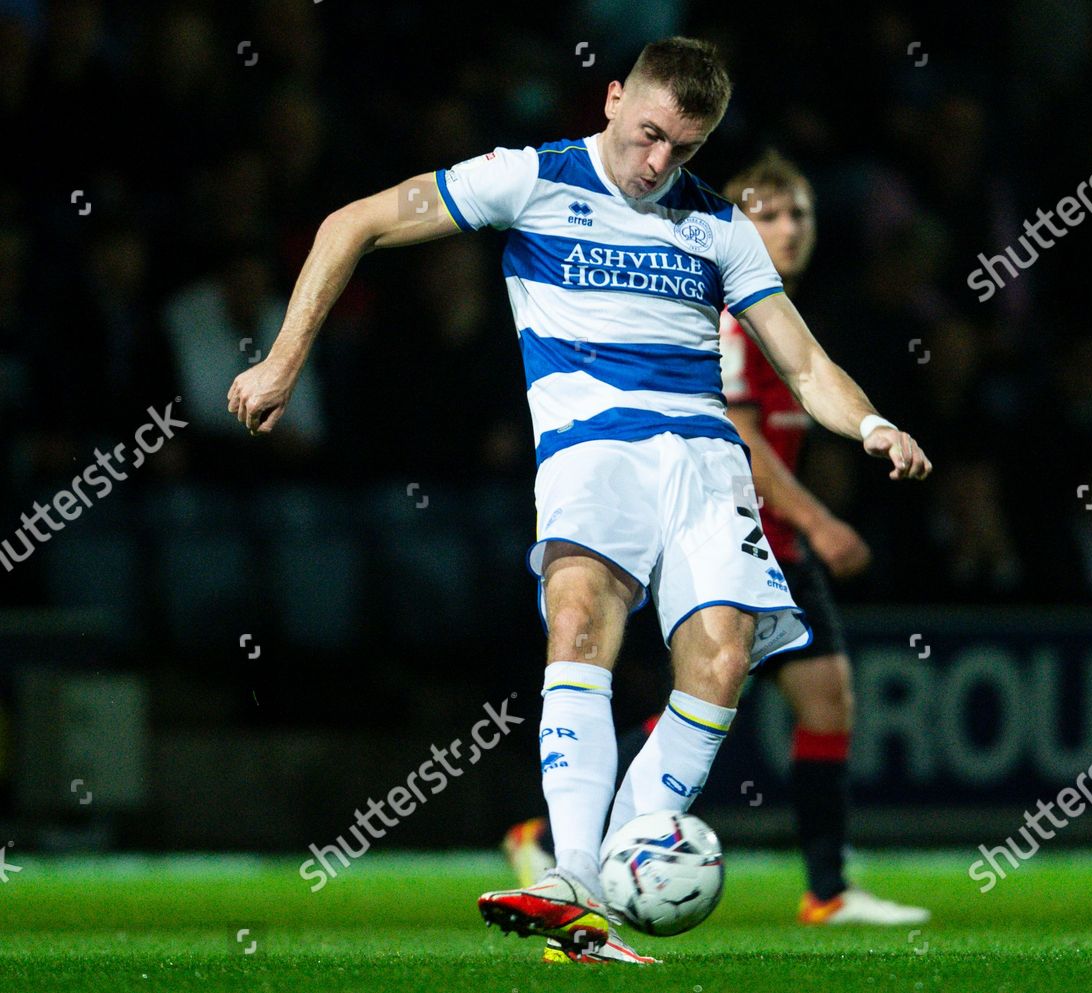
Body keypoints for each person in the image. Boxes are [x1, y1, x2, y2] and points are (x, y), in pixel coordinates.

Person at [226, 37, 931, 963]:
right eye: (646, 136)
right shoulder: (529, 178)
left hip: (702, 462)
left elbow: (802, 363)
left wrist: (873, 424)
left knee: (719, 660)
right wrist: (282, 358)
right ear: (609, 99)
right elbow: (349, 223)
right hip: (590, 451)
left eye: (682, 149)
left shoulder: (718, 227)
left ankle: (604, 879)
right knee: (578, 617)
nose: (656, 165)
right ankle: (572, 877)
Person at [503, 150, 929, 926]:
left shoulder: (780, 320)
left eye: (799, 212)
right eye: (769, 213)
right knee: (729, 683)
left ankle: (819, 886)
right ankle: (575, 844)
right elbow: (739, 434)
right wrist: (819, 517)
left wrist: (865, 432)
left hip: (768, 542)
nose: (788, 227)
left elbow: (799, 395)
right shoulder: (724, 320)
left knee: (795, 694)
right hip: (714, 530)